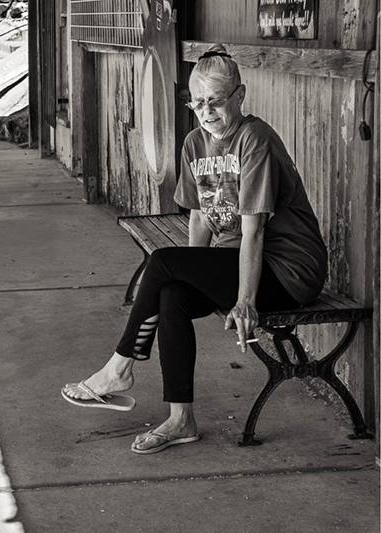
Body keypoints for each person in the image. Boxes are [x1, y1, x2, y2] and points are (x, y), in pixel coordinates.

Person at [61, 44, 328, 454]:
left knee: (165, 260)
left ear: (239, 96)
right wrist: (190, 272)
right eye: (197, 102)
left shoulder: (254, 139)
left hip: (288, 270)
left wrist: (245, 303)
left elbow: (254, 230)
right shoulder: (194, 144)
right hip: (236, 260)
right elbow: (202, 217)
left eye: (216, 102)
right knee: (172, 292)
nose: (206, 112)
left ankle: (119, 368)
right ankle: (180, 418)